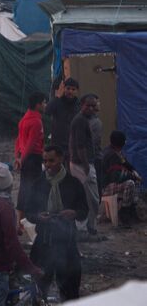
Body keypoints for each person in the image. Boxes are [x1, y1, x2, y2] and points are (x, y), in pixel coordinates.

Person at [25, 146, 88, 301]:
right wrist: (39, 217)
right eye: (45, 161)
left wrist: (74, 213)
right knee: (38, 287)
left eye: (51, 160)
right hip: (43, 241)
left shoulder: (73, 183)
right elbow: (29, 212)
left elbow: (84, 210)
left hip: (67, 242)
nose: (47, 165)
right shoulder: (38, 183)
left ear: (61, 159)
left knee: (70, 288)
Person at [0, 162, 42, 306]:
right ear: (9, 185)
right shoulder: (4, 208)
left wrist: (12, 228)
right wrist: (30, 268)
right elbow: (12, 244)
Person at [14, 92, 47, 226]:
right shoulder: (36, 121)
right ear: (38, 104)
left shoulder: (24, 119)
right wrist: (22, 159)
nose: (45, 105)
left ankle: (20, 223)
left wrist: (18, 157)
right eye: (44, 103)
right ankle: (32, 222)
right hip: (33, 158)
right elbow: (31, 143)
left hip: (25, 158)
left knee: (24, 188)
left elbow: (19, 140)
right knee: (34, 190)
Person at [69, 94, 100, 235]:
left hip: (80, 163)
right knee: (92, 199)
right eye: (88, 105)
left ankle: (88, 227)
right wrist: (86, 166)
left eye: (93, 106)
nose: (91, 108)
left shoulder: (83, 119)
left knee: (85, 197)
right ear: (81, 104)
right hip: (82, 164)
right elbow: (80, 146)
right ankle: (87, 228)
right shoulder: (80, 121)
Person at [101, 131, 140, 225]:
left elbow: (125, 163)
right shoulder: (111, 155)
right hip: (106, 186)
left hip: (112, 183)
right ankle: (124, 213)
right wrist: (133, 176)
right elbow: (117, 177)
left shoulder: (114, 151)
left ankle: (132, 210)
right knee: (130, 183)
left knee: (134, 182)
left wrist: (134, 171)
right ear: (120, 144)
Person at [46, 78, 80, 163]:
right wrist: (57, 97)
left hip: (73, 144)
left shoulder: (79, 105)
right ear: (64, 89)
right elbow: (48, 111)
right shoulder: (58, 102)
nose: (70, 91)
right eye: (68, 88)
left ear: (77, 91)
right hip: (58, 143)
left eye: (73, 89)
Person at [88, 96, 104, 195]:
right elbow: (94, 142)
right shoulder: (96, 122)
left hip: (91, 158)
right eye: (97, 102)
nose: (99, 104)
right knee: (97, 187)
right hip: (94, 158)